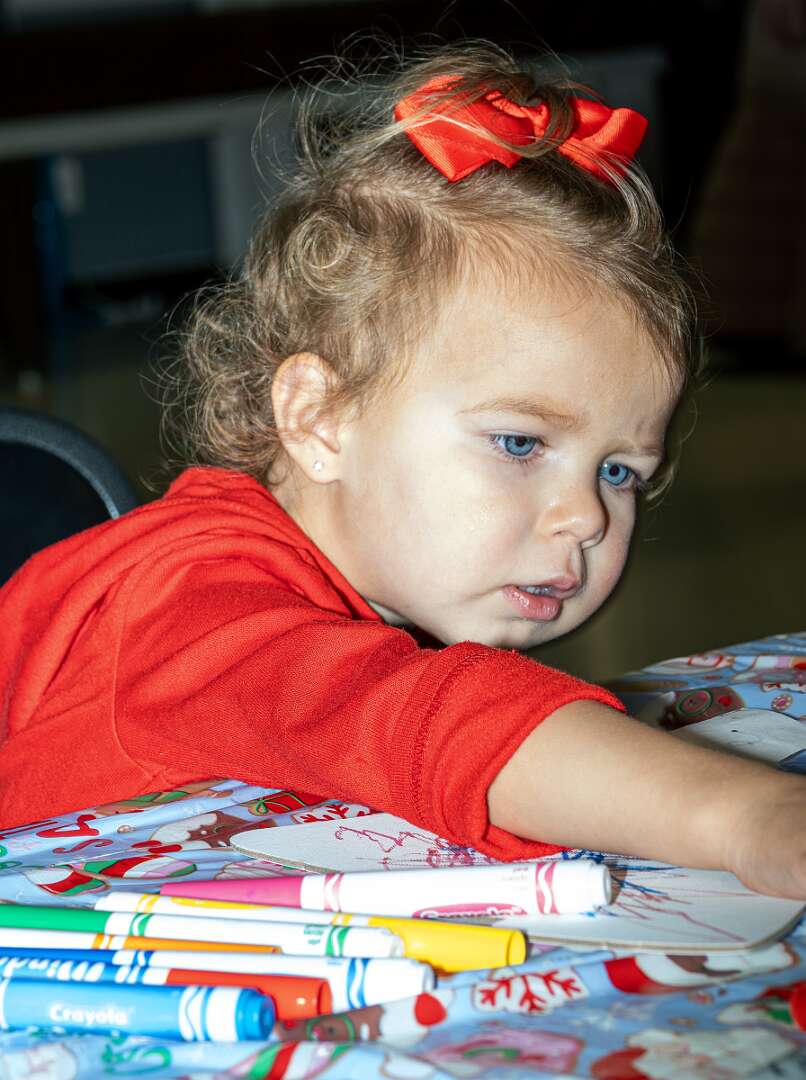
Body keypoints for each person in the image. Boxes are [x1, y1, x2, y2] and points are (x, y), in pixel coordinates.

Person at [1, 43, 803, 899]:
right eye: (520, 444)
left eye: (618, 472)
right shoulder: (196, 612)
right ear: (320, 417)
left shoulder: (378, 589)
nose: (587, 517)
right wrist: (749, 817)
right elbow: (428, 722)